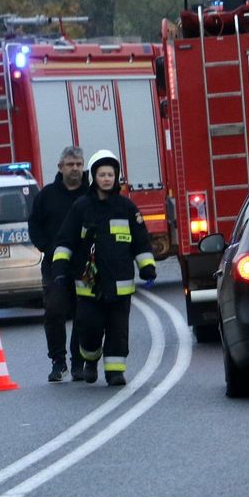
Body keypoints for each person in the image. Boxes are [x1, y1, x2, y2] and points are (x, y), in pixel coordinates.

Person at [50, 149, 156, 386]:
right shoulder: (81, 207)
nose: (107, 178)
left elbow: (141, 241)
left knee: (118, 331)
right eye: (102, 174)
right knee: (88, 328)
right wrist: (59, 270)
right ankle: (90, 359)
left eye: (110, 174)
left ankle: (115, 372)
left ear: (116, 177)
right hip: (89, 286)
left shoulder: (127, 208)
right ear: (94, 177)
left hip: (120, 285)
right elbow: (65, 241)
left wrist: (147, 267)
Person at [28, 146, 89, 382]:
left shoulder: (90, 196)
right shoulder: (46, 196)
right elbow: (34, 225)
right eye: (70, 164)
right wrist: (48, 248)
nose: (75, 169)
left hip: (84, 266)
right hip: (55, 267)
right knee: (54, 311)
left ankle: (78, 363)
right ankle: (58, 361)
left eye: (79, 164)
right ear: (60, 167)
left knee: (83, 314)